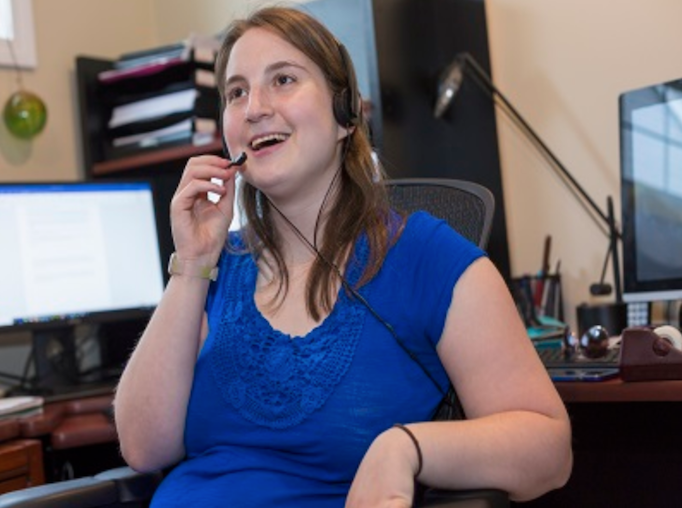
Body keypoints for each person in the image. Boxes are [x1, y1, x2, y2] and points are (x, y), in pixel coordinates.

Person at [113, 6, 572, 507]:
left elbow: (548, 448)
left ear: (344, 114)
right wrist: (192, 263)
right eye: (236, 92)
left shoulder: (427, 258)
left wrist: (407, 447)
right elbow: (143, 447)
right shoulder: (215, 267)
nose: (254, 108)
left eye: (283, 80)